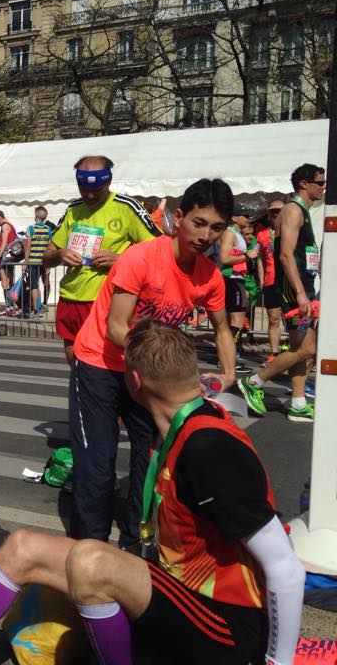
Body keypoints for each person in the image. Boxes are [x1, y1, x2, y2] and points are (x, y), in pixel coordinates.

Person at [0, 319, 304, 665]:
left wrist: (276, 661)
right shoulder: (177, 427)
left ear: (134, 382)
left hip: (224, 625)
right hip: (180, 597)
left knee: (90, 563)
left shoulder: (208, 448)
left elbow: (286, 568)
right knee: (22, 546)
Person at [69, 178, 238, 547]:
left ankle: (136, 541)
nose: (206, 236)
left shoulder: (210, 277)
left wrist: (229, 374)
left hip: (144, 372)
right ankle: (89, 548)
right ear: (179, 217)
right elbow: (117, 328)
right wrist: (167, 366)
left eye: (217, 228)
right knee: (97, 463)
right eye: (199, 223)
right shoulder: (141, 257)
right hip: (99, 363)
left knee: (151, 461)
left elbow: (222, 328)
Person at [43, 156, 161, 364]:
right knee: (74, 361)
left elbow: (161, 252)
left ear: (108, 182)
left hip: (107, 301)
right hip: (71, 298)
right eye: (83, 189)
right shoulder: (73, 209)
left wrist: (121, 260)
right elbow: (46, 257)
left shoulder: (127, 207)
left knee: (104, 364)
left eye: (96, 190)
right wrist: (60, 255)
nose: (89, 195)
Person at [239, 163, 325, 423]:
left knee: (301, 348)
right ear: (304, 184)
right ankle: (254, 381)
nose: (323, 187)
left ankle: (298, 404)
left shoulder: (303, 211)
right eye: (320, 182)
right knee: (307, 348)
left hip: (303, 287)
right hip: (292, 290)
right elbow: (286, 255)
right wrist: (299, 293)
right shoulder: (292, 211)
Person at [218, 204, 258, 369]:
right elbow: (224, 258)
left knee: (232, 321)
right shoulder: (230, 233)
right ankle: (228, 359)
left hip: (236, 279)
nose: (248, 219)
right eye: (245, 215)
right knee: (237, 321)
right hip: (232, 279)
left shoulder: (237, 233)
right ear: (235, 218)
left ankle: (226, 359)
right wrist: (247, 255)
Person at [256, 200, 285, 363]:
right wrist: (261, 279)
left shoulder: (292, 230)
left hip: (288, 281)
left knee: (292, 318)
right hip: (270, 280)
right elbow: (260, 258)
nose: (275, 214)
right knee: (273, 318)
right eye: (272, 211)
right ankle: (274, 353)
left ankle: (294, 351)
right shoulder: (262, 234)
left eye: (279, 211)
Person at [25, 206, 53, 317]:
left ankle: (36, 310)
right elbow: (49, 247)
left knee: (34, 286)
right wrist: (49, 264)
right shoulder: (48, 229)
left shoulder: (31, 228)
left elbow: (28, 246)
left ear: (36, 215)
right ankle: (40, 306)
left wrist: (26, 262)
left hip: (33, 262)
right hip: (44, 262)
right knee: (40, 285)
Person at [0, 209, 17, 300]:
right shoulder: (10, 226)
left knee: (5, 282)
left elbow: (4, 243)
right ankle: (11, 304)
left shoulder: (5, 226)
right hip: (10, 257)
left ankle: (9, 305)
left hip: (6, 257)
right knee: (9, 281)